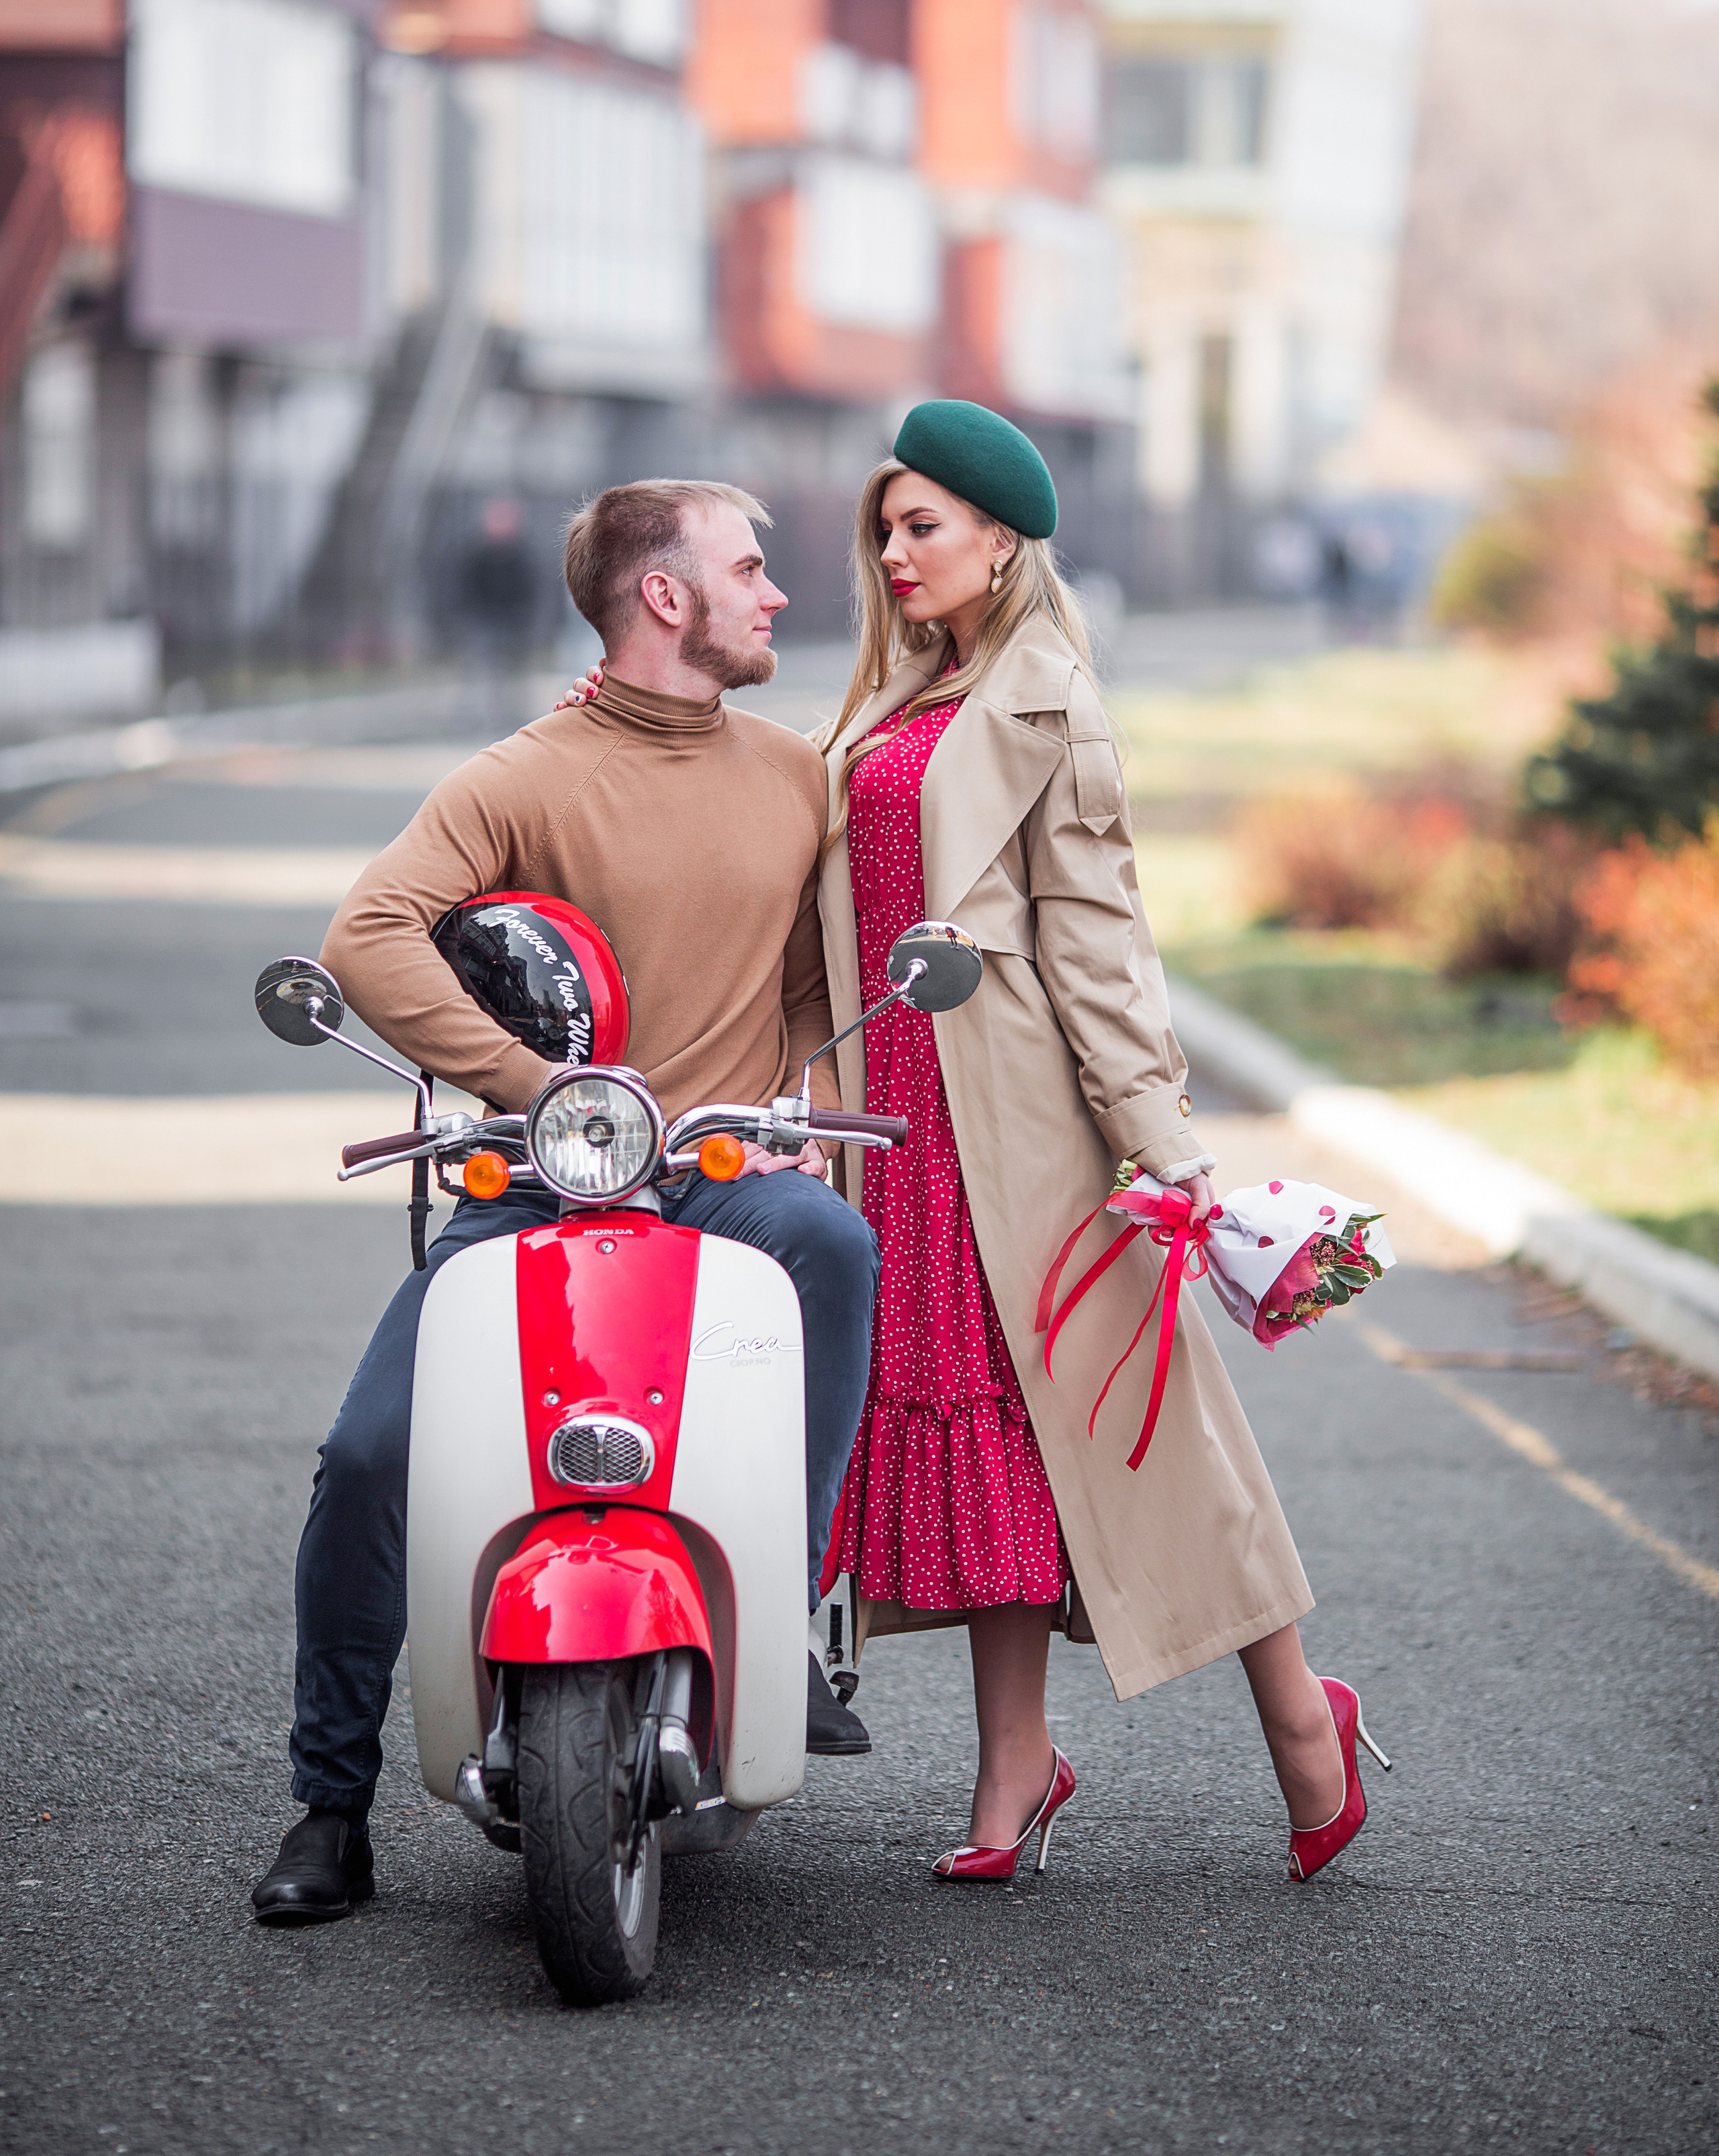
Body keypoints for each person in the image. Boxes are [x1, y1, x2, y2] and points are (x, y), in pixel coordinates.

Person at [251, 479, 879, 1926]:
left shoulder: (794, 775)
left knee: (832, 1241)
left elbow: (801, 987)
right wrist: (535, 1085)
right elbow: (369, 934)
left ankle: (769, 1622)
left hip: (725, 1187)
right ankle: (327, 1805)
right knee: (365, 1459)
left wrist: (789, 1116)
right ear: (665, 598)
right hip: (540, 1186)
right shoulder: (519, 777)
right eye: (748, 568)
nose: (776, 593)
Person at [815, 399, 1382, 1885]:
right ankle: (1016, 1766)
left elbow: (1098, 944)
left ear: (1002, 540)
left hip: (1026, 1142)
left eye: (920, 526)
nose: (891, 553)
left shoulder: (1045, 698)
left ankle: (1300, 1724)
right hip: (897, 1138)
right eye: (883, 527)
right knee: (990, 1450)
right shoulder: (885, 702)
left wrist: (1163, 1142)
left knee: (1155, 1439)